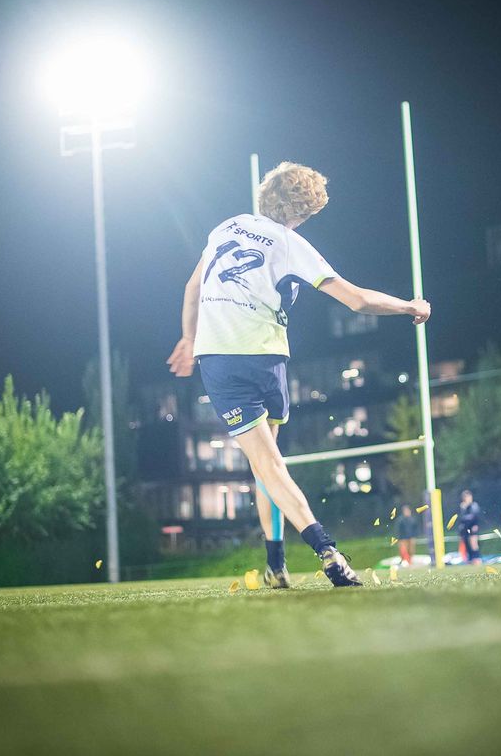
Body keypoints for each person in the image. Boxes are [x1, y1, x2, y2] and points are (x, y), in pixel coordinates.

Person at [167, 162, 431, 588]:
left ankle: (301, 556)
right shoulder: (291, 243)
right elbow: (358, 301)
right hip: (266, 360)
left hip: (220, 359)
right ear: (300, 213)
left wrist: (186, 337)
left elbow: (191, 287)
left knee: (265, 465)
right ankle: (303, 557)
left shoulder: (226, 227)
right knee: (268, 464)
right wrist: (410, 306)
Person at [458, 489, 483, 564]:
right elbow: (461, 518)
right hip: (465, 528)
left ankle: (477, 558)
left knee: (473, 543)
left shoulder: (474, 505)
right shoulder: (462, 506)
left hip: (472, 527)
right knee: (467, 543)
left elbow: (476, 516)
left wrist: (476, 525)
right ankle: (471, 559)